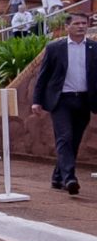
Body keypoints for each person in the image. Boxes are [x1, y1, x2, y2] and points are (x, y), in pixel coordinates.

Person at [31, 11, 97, 196]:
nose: (81, 26)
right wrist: (37, 101)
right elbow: (43, 76)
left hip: (84, 100)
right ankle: (70, 178)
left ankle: (57, 177)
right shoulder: (55, 48)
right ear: (67, 27)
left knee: (74, 141)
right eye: (77, 23)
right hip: (61, 100)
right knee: (64, 138)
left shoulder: (94, 48)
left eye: (84, 23)